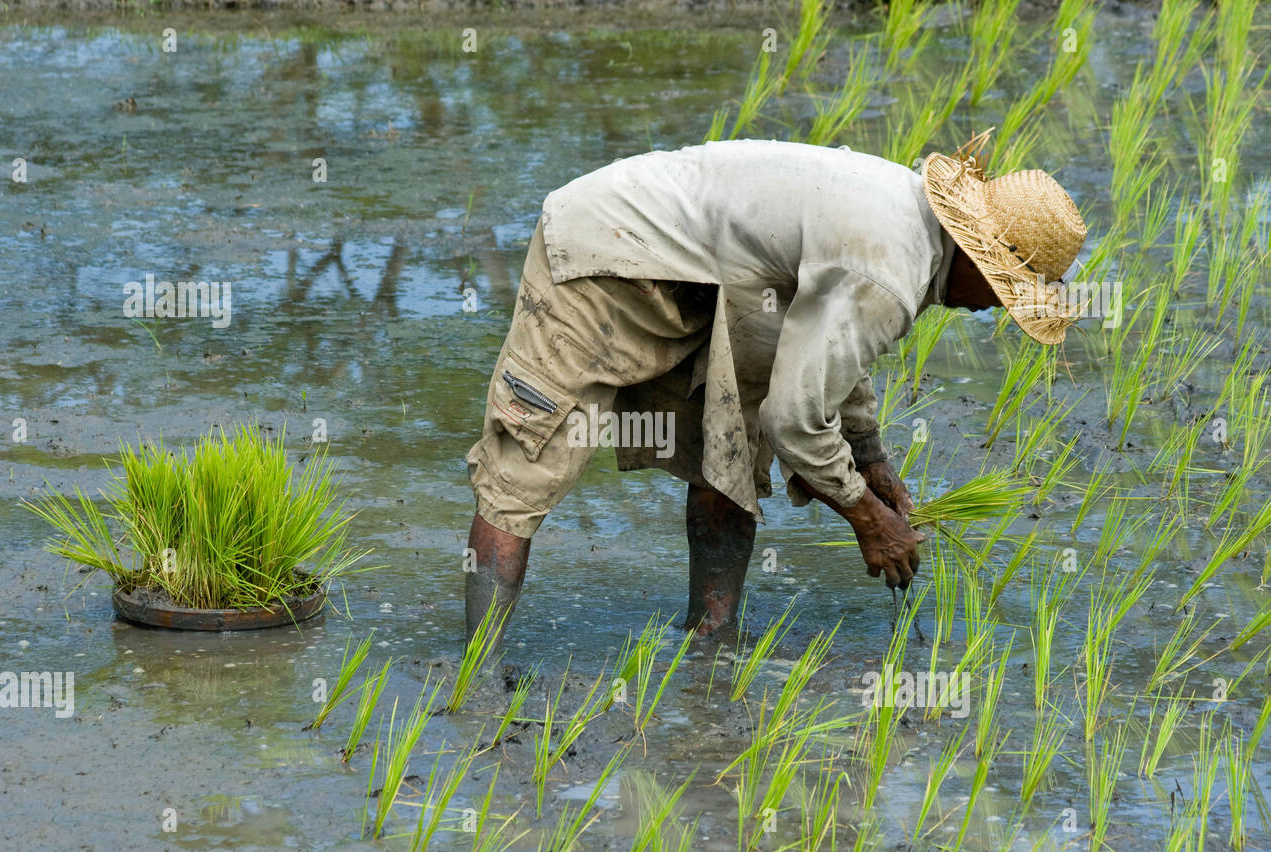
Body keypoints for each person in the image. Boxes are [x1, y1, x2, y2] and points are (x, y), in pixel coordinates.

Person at [463, 130, 1087, 645]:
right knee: (529, 464)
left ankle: (712, 639)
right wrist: (867, 517)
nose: (994, 311)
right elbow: (795, 420)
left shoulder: (911, 230)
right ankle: (477, 679)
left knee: (729, 446)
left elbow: (832, 358)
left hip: (709, 275)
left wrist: (872, 460)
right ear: (977, 257)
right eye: (1005, 294)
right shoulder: (891, 270)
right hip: (607, 246)